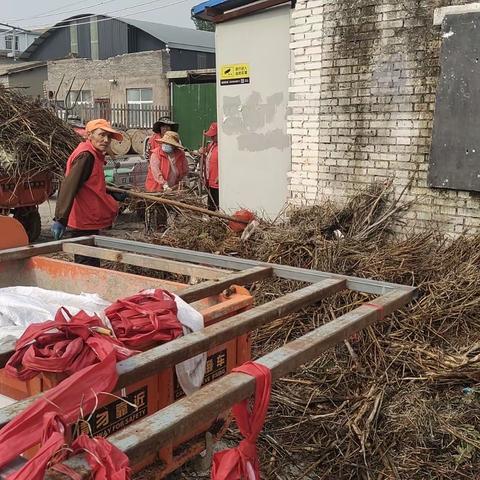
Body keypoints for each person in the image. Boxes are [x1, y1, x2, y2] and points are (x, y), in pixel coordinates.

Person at [51, 119, 126, 267]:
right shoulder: (86, 156)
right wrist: (60, 218)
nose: (106, 140)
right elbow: (69, 186)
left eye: (109, 137)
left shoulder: (93, 154)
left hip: (88, 220)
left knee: (91, 261)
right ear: (89, 135)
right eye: (101, 135)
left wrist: (110, 192)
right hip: (83, 221)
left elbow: (90, 183)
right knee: (86, 264)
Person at [202, 122, 219, 210]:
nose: (211, 137)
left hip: (218, 184)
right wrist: (202, 153)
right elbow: (208, 158)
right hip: (210, 180)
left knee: (218, 206)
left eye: (214, 135)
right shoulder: (211, 145)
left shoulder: (223, 147)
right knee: (211, 207)